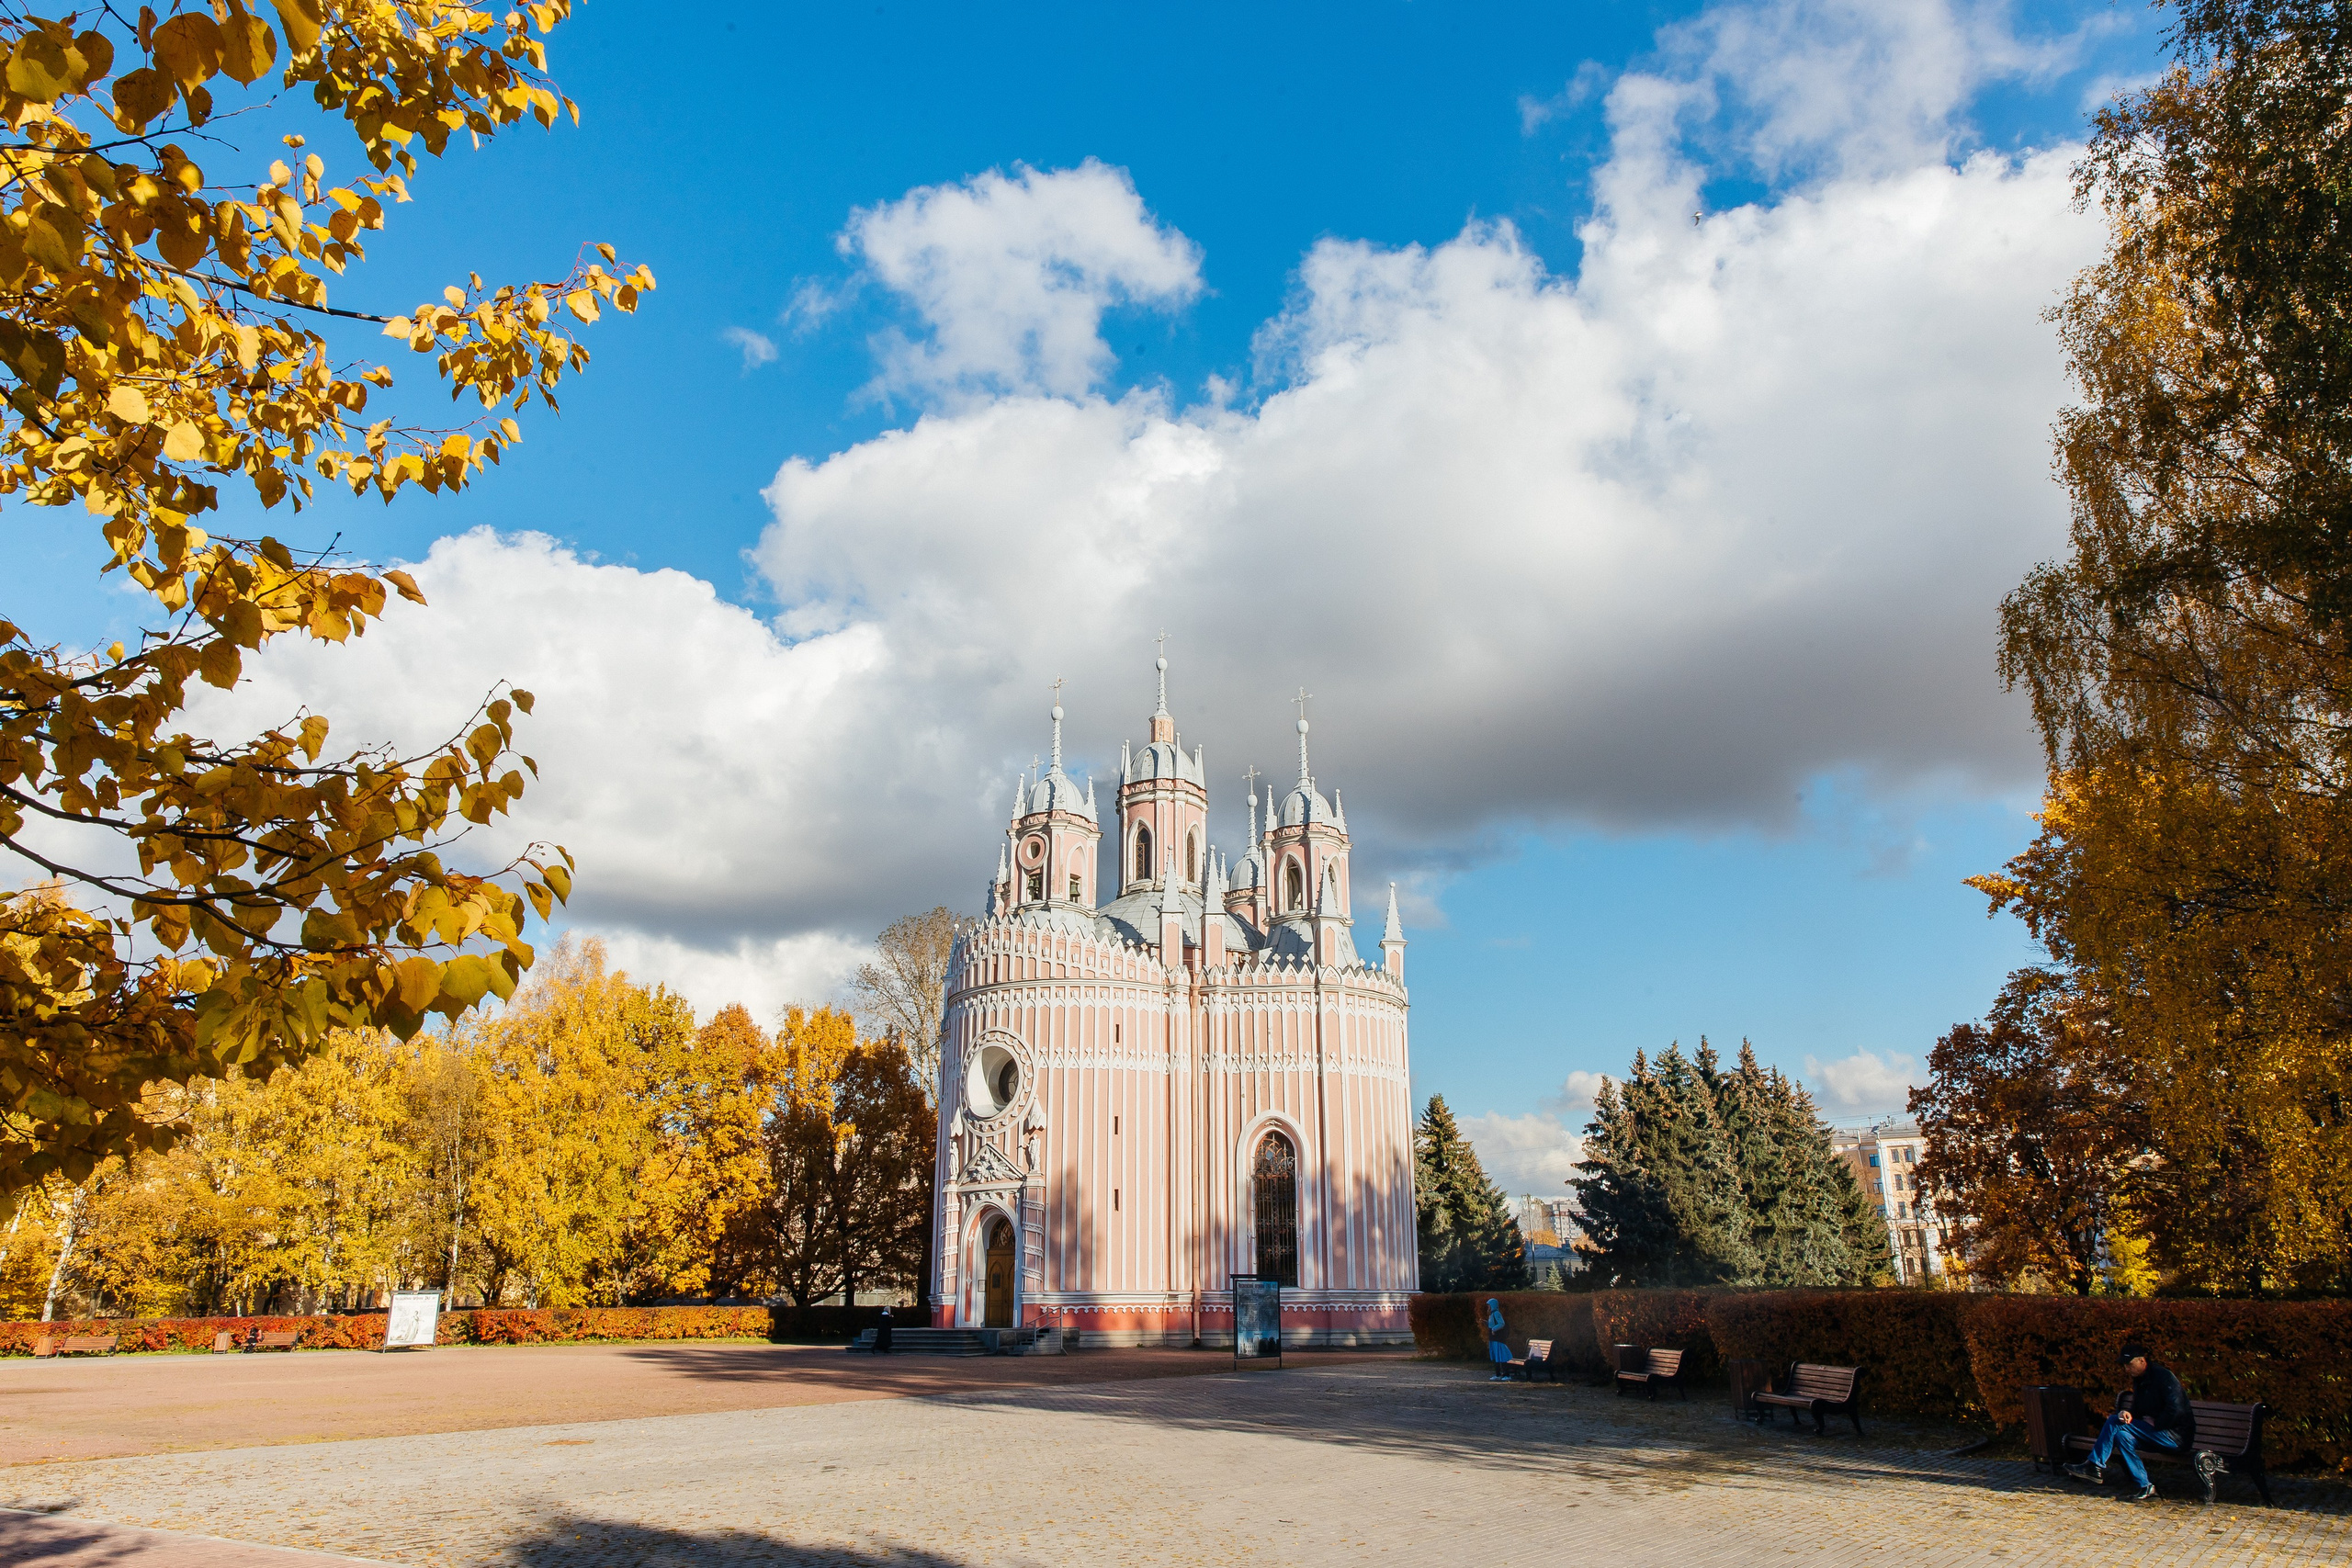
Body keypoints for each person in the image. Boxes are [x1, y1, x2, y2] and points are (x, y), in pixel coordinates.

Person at [2065, 1343, 2196, 1501]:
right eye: (2125, 1365)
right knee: (2122, 1436)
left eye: (2129, 1364)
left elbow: (2177, 1409)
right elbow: (2139, 1409)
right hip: (2157, 1434)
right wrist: (2128, 1413)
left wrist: (2157, 1423)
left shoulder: (2164, 1377)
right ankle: (2146, 1486)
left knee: (2114, 1422)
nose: (2126, 1369)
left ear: (2142, 1360)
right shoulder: (2139, 1380)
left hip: (2175, 1436)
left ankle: (2094, 1465)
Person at [1485, 1297, 1511, 1382]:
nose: (1488, 1307)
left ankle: (1506, 1374)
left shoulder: (1496, 1313)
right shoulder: (1492, 1314)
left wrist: (1494, 1329)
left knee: (1501, 1356)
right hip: (1493, 1338)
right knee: (1496, 1356)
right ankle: (1498, 1374)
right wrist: (1487, 1323)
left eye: (1489, 1305)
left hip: (1498, 1338)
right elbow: (1492, 1324)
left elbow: (1501, 1323)